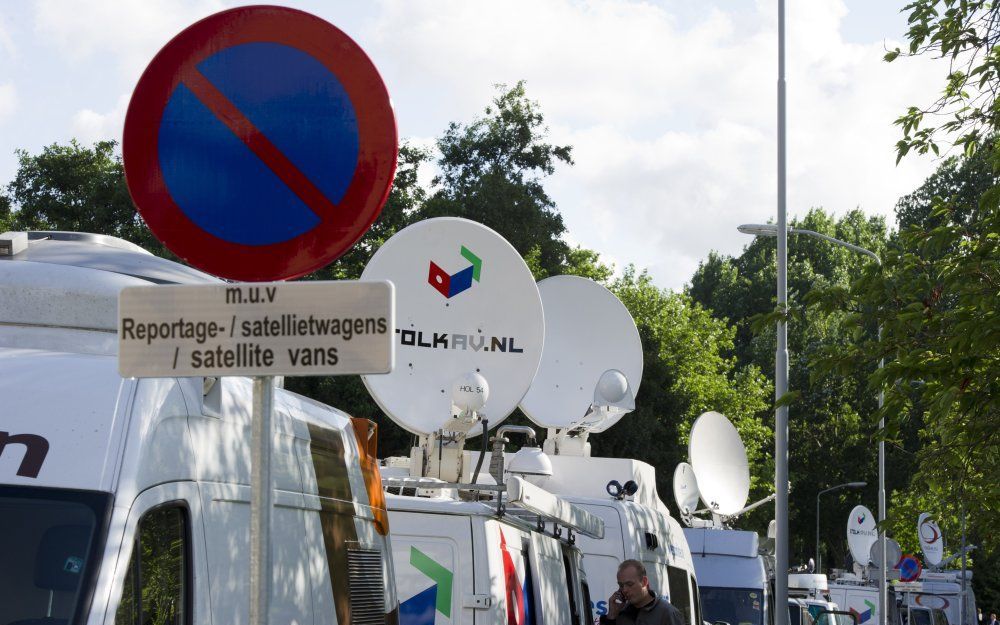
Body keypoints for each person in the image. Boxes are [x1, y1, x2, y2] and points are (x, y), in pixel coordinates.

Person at [600, 559, 685, 625]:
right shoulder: (621, 613)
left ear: (644, 582)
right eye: (621, 585)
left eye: (629, 584)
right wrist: (611, 617)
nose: (624, 590)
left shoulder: (668, 614)